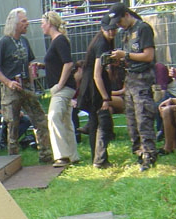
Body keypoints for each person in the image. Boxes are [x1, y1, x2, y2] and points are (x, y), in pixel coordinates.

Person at [0, 8, 53, 163]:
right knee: (13, 125)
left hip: (25, 86)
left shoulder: (24, 41)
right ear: (15, 24)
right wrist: (8, 82)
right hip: (11, 88)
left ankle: (46, 155)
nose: (27, 23)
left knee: (40, 119)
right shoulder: (3, 42)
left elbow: (30, 62)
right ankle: (13, 160)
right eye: (24, 21)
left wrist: (32, 83)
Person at [108, 2, 157, 171]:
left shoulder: (143, 28)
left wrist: (126, 54)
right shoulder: (125, 33)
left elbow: (148, 56)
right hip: (130, 78)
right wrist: (120, 59)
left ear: (127, 15)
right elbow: (131, 57)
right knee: (131, 119)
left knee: (143, 117)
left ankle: (149, 155)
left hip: (142, 78)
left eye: (120, 22)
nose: (119, 26)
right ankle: (138, 152)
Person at [78, 14, 118, 168]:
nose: (112, 32)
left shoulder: (104, 41)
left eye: (114, 29)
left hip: (90, 87)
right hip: (94, 89)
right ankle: (100, 160)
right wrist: (106, 98)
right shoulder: (102, 44)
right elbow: (97, 74)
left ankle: (97, 159)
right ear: (102, 28)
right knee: (103, 123)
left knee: (95, 123)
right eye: (109, 29)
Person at [40, 11, 79, 168]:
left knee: (54, 117)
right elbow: (58, 63)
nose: (42, 26)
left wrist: (59, 85)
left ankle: (62, 156)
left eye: (43, 23)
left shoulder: (59, 41)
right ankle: (72, 155)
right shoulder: (57, 41)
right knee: (65, 120)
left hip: (63, 88)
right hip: (65, 88)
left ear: (49, 23)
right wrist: (43, 66)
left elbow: (68, 63)